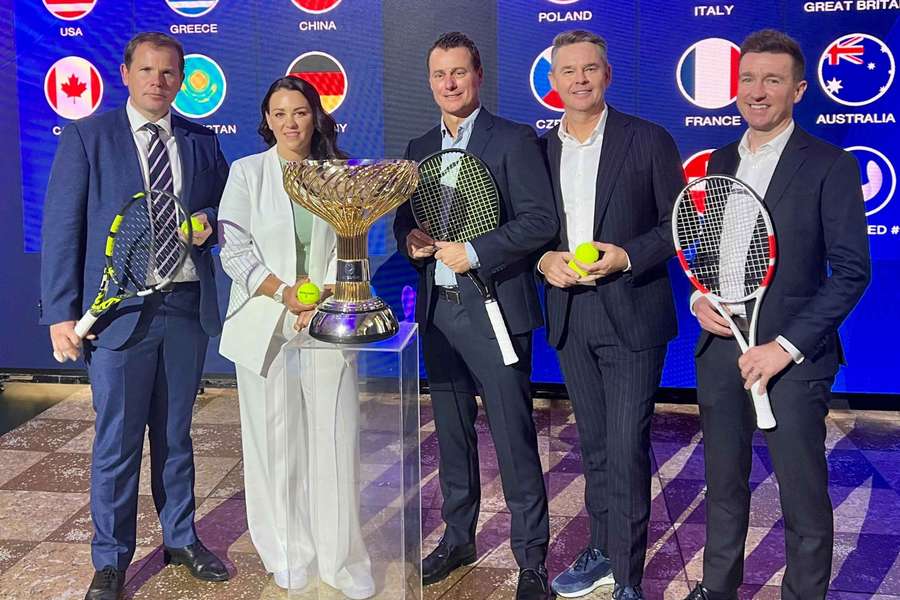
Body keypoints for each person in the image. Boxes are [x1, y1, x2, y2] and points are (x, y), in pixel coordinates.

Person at [40, 32, 229, 600]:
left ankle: (181, 539)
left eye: (169, 73)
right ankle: (111, 559)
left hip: (185, 308)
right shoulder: (87, 137)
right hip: (118, 315)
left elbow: (223, 206)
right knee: (117, 442)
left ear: (181, 80)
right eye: (147, 70)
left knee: (176, 435)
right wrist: (60, 312)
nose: (158, 81)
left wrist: (207, 220)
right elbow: (63, 229)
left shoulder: (199, 141)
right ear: (126, 73)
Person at [683, 30, 871, 600]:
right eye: (747, 79)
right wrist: (698, 299)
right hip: (721, 353)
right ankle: (718, 590)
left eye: (772, 80)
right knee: (722, 488)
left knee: (802, 497)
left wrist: (783, 347)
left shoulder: (829, 165)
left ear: (798, 89)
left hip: (792, 362)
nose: (756, 92)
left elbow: (852, 272)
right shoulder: (718, 160)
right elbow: (709, 253)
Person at [393, 31, 558, 600]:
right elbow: (403, 221)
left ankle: (531, 558)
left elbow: (540, 222)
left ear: (478, 75)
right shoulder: (418, 148)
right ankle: (458, 538)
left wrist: (478, 252)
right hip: (438, 312)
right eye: (439, 75)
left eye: (458, 73)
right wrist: (410, 237)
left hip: (494, 312)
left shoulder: (513, 140)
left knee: (514, 437)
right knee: (453, 438)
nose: (449, 84)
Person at [537, 30, 683, 600]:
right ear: (553, 82)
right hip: (571, 314)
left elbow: (678, 223)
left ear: (607, 75)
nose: (579, 79)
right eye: (568, 71)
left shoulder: (647, 139)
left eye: (589, 69)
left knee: (625, 446)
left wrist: (627, 255)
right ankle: (601, 552)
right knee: (594, 445)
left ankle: (627, 577)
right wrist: (546, 259)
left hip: (632, 314)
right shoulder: (540, 148)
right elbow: (533, 227)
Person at [217, 75, 374, 600]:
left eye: (300, 111)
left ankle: (342, 562)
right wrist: (284, 293)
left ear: (316, 117)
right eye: (279, 113)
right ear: (266, 120)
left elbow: (352, 249)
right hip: (265, 322)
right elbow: (234, 251)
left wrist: (324, 298)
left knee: (335, 442)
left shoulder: (341, 173)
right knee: (273, 448)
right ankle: (287, 555)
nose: (290, 122)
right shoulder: (246, 173)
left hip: (328, 321)